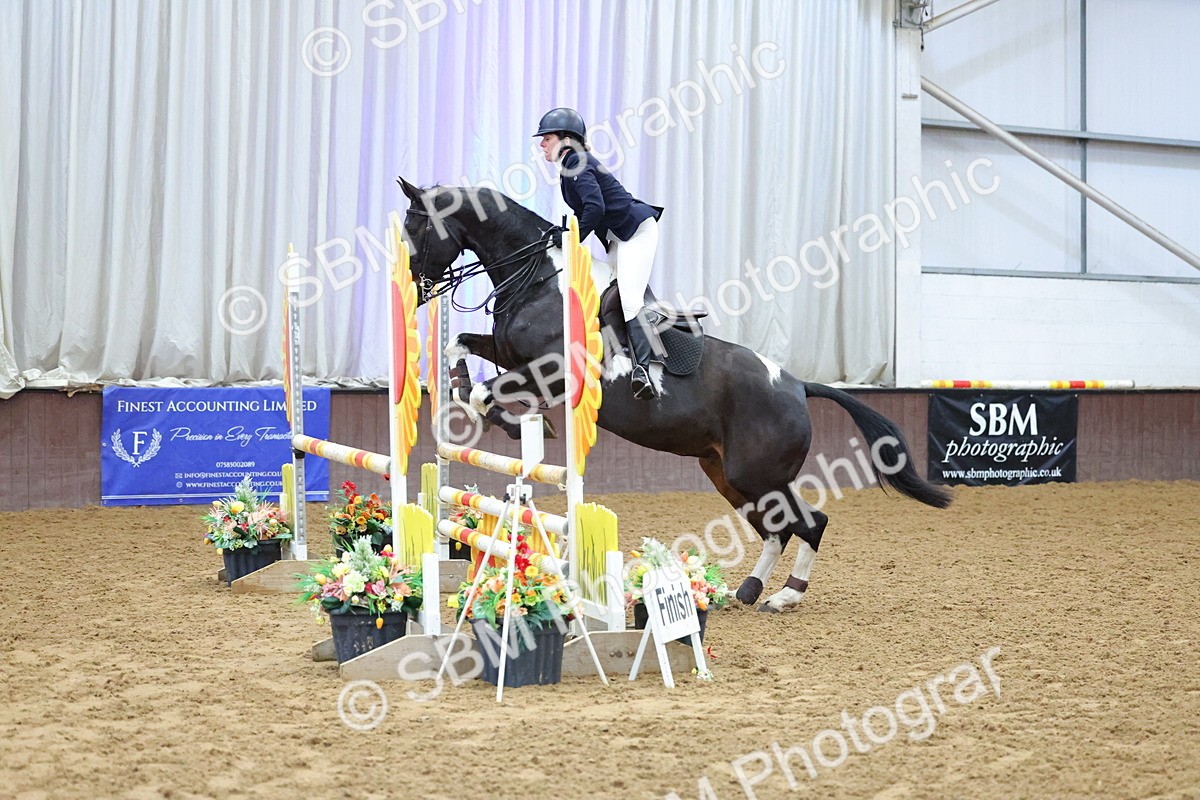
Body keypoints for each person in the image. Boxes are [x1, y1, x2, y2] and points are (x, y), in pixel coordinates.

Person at [534, 107, 664, 400]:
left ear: (567, 140)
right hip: (619, 236)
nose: (542, 143)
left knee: (629, 299)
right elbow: (588, 210)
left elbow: (595, 208)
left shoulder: (575, 161)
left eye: (547, 137)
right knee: (609, 292)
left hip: (636, 232)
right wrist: (565, 232)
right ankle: (619, 351)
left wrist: (571, 238)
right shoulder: (571, 164)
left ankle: (643, 370)